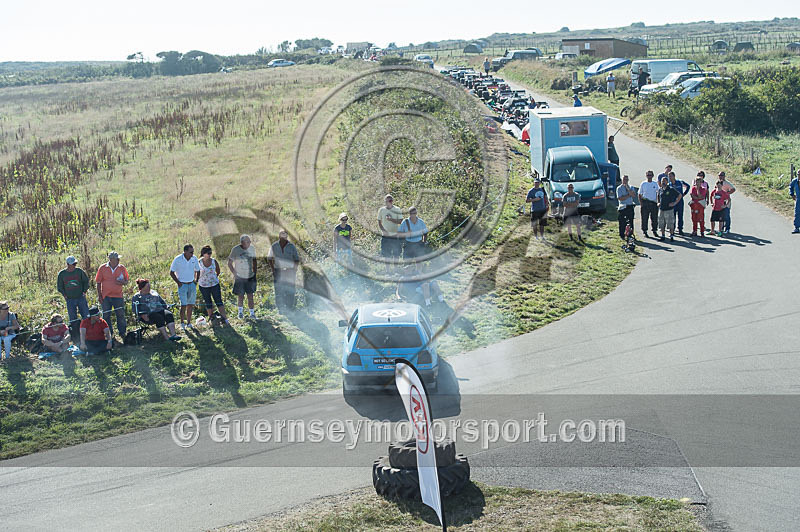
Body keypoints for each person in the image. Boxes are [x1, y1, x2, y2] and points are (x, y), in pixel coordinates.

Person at [95, 251, 128, 342]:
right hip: (106, 296)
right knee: (106, 315)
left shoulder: (122, 268)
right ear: (111, 260)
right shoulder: (102, 268)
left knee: (120, 314)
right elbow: (98, 282)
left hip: (118, 296)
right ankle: (109, 333)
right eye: (117, 259)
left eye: (118, 258)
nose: (118, 260)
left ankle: (122, 332)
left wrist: (122, 282)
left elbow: (126, 281)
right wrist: (100, 296)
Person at [170, 244, 200, 331]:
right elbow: (171, 272)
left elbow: (198, 270)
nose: (192, 254)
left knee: (190, 304)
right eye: (191, 252)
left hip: (191, 284)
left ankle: (189, 322)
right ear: (185, 251)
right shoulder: (178, 259)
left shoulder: (194, 259)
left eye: (193, 252)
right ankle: (182, 322)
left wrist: (196, 281)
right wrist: (178, 283)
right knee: (183, 305)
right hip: (182, 285)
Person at [267, 230, 300, 310]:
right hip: (278, 270)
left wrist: (294, 270)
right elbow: (269, 258)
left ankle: (290, 307)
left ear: (287, 237)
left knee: (290, 289)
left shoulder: (291, 246)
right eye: (282, 236)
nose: (283, 238)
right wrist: (273, 269)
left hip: (289, 271)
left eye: (285, 236)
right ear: (279, 237)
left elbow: (296, 259)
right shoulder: (274, 246)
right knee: (278, 289)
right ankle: (280, 308)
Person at [57, 256, 89, 337]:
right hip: (70, 299)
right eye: (73, 264)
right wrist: (64, 295)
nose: (75, 265)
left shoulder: (79, 271)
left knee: (86, 316)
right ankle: (76, 335)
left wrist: (84, 291)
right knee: (73, 319)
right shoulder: (62, 274)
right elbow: (60, 287)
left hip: (80, 297)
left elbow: (86, 281)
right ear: (68, 264)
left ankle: (88, 333)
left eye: (75, 263)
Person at [197, 246, 229, 325]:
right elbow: (196, 273)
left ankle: (224, 319)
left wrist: (214, 278)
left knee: (218, 301)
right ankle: (212, 319)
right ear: (203, 254)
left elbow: (218, 271)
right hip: (203, 286)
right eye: (208, 253)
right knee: (208, 302)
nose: (210, 254)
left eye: (211, 252)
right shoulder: (198, 262)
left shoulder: (214, 261)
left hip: (214, 284)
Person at [228, 234, 257, 319]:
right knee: (240, 295)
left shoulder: (252, 248)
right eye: (247, 241)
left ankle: (252, 314)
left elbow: (254, 260)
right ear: (242, 242)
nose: (249, 243)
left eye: (250, 241)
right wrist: (234, 274)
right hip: (240, 276)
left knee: (250, 296)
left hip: (250, 276)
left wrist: (255, 272)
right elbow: (229, 263)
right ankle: (240, 313)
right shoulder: (236, 249)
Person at [378, 194, 403, 270]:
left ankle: (395, 269)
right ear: (385, 201)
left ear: (392, 201)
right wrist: (383, 231)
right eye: (387, 200)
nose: (389, 202)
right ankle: (387, 270)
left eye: (391, 200)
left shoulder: (397, 209)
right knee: (386, 254)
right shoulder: (382, 210)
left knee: (396, 253)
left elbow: (400, 221)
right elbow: (379, 222)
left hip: (395, 235)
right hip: (385, 236)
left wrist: (391, 219)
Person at [657, 176, 680, 241]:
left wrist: (675, 203)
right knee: (661, 224)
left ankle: (671, 236)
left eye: (664, 181)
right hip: (661, 209)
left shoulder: (671, 189)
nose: (663, 182)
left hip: (669, 209)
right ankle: (663, 236)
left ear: (667, 182)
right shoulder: (660, 189)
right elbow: (658, 195)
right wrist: (658, 202)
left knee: (670, 223)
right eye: (662, 181)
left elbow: (679, 195)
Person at [638, 170, 659, 237]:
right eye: (648, 175)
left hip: (653, 203)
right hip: (645, 202)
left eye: (650, 175)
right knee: (644, 218)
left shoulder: (655, 184)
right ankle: (645, 231)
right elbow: (639, 194)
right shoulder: (643, 184)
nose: (649, 176)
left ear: (652, 176)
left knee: (654, 218)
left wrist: (658, 202)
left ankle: (654, 230)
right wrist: (641, 203)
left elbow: (658, 193)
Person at [616, 174, 636, 240]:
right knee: (622, 222)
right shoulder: (619, 188)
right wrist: (628, 195)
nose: (625, 181)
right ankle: (622, 234)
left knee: (630, 221)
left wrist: (628, 189)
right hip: (623, 207)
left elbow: (633, 195)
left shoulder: (631, 187)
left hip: (630, 206)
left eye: (626, 179)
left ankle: (630, 234)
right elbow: (620, 198)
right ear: (622, 180)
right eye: (624, 179)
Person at [790, 169, 800, 234]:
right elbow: (791, 187)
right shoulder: (795, 181)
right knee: (797, 213)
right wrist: (792, 194)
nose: (799, 176)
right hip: (798, 199)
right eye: (799, 175)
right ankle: (796, 227)